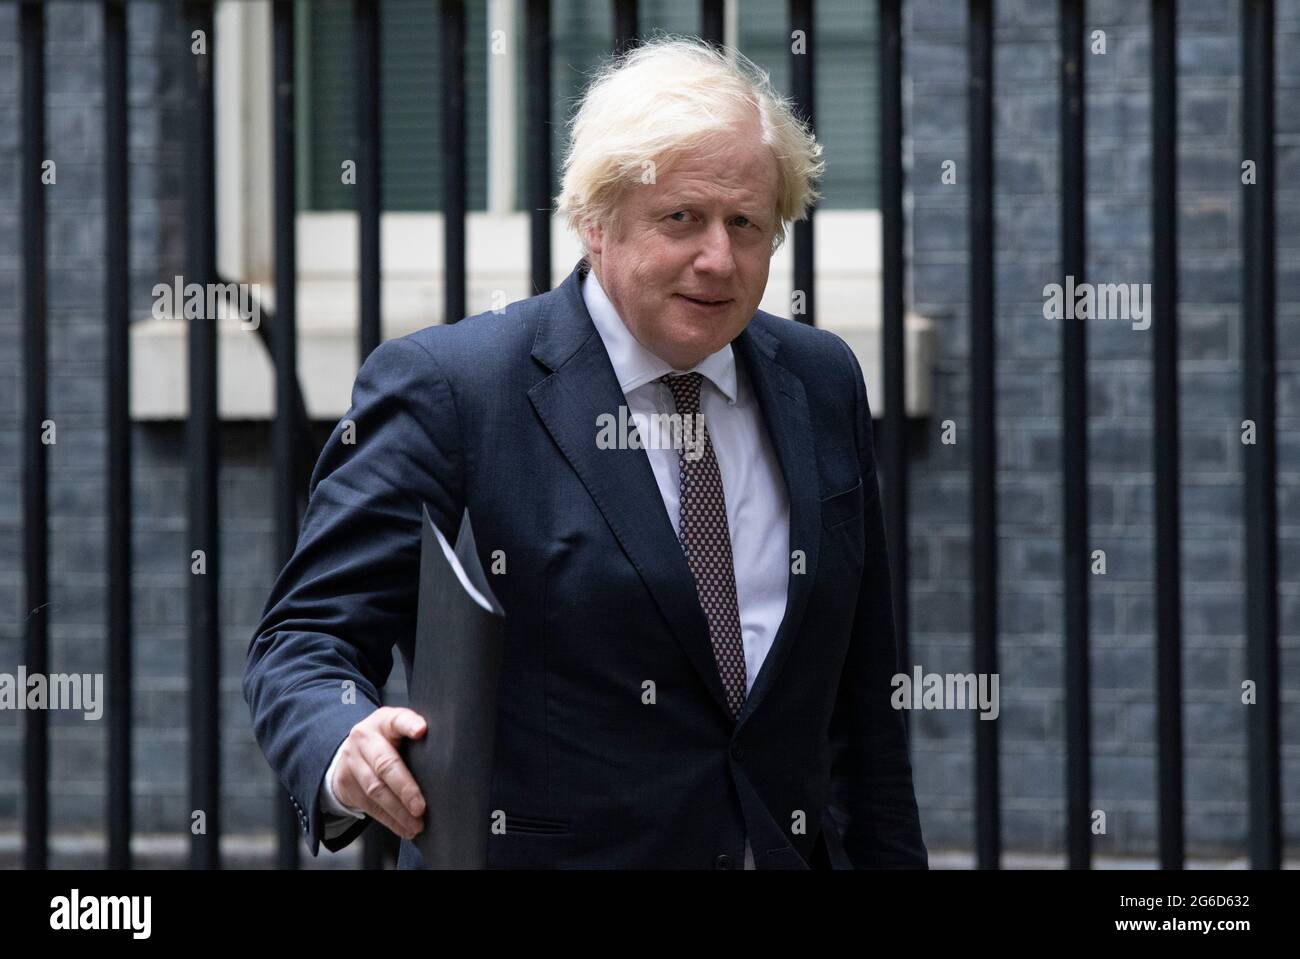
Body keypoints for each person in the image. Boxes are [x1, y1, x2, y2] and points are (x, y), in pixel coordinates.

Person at [244, 36, 927, 870]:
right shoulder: (455, 388)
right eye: (682, 217)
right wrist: (344, 744)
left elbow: (864, 712)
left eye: (745, 223)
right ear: (595, 222)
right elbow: (307, 637)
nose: (718, 257)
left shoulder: (821, 382)